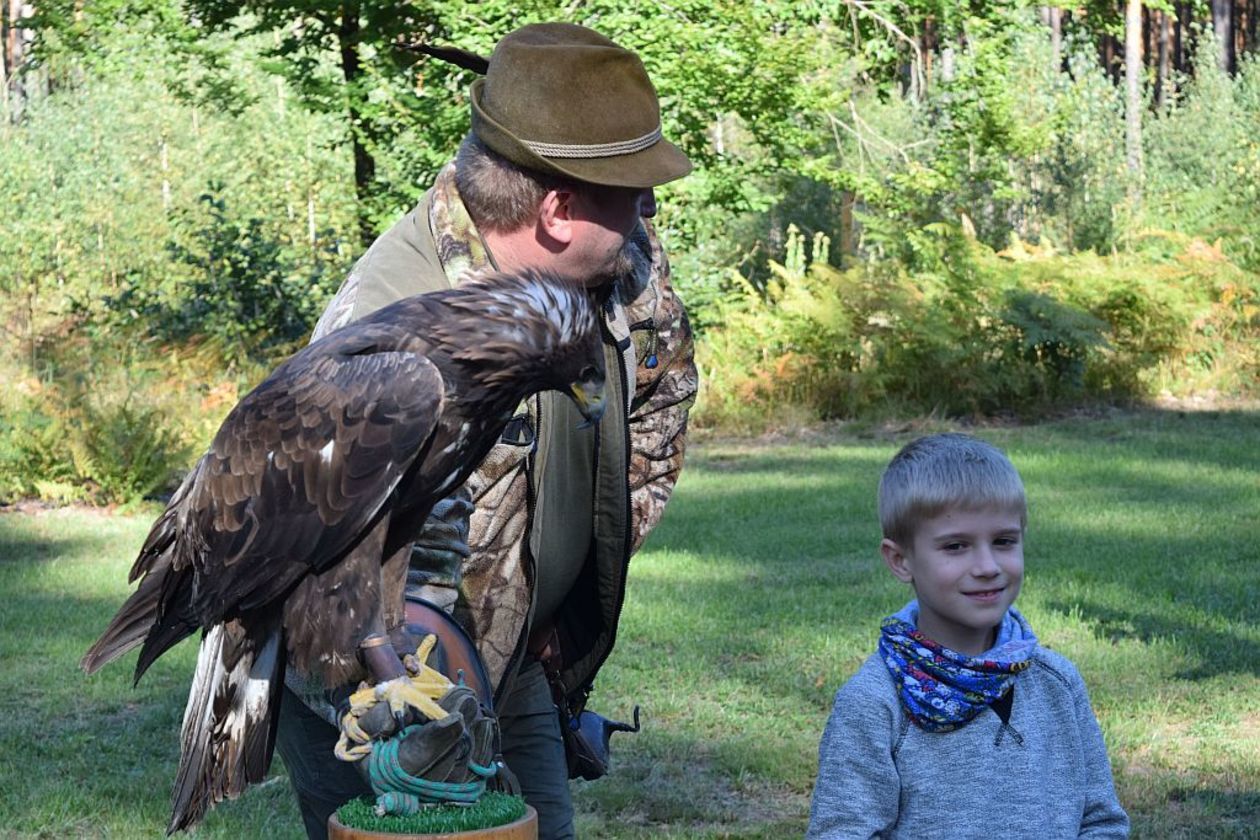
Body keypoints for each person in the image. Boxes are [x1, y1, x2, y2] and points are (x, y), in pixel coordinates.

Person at [273, 22, 697, 840]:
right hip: (366, 684)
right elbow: (328, 579)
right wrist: (416, 689)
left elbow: (660, 403)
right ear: (558, 209)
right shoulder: (388, 334)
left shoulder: (621, 262)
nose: (649, 205)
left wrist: (549, 600)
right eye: (631, 189)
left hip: (516, 663)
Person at [806, 434, 1129, 839]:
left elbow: (1101, 821)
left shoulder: (1057, 683)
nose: (987, 566)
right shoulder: (874, 702)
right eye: (956, 546)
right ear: (900, 560)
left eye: (1004, 541)